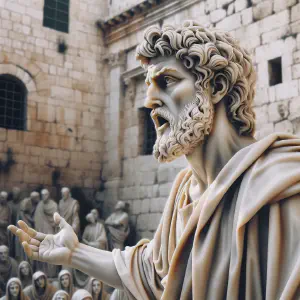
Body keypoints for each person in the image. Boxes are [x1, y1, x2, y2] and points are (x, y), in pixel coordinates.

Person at [8, 20, 300, 299]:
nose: (149, 100)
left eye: (167, 81)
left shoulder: (281, 188)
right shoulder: (184, 192)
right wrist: (75, 253)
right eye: (148, 84)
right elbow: (152, 274)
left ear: (218, 86)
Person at [34, 189, 58, 277]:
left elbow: (56, 219)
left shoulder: (54, 205)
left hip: (50, 230)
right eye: (42, 195)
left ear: (49, 195)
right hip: (41, 230)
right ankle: (43, 273)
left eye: (45, 195)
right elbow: (36, 218)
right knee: (41, 250)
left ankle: (52, 273)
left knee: (51, 250)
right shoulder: (40, 205)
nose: (44, 197)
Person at [15, 192, 40, 262]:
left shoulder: (36, 204)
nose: (38, 199)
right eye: (37, 198)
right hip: (23, 225)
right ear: (33, 198)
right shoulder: (25, 202)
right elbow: (23, 214)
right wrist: (31, 221)